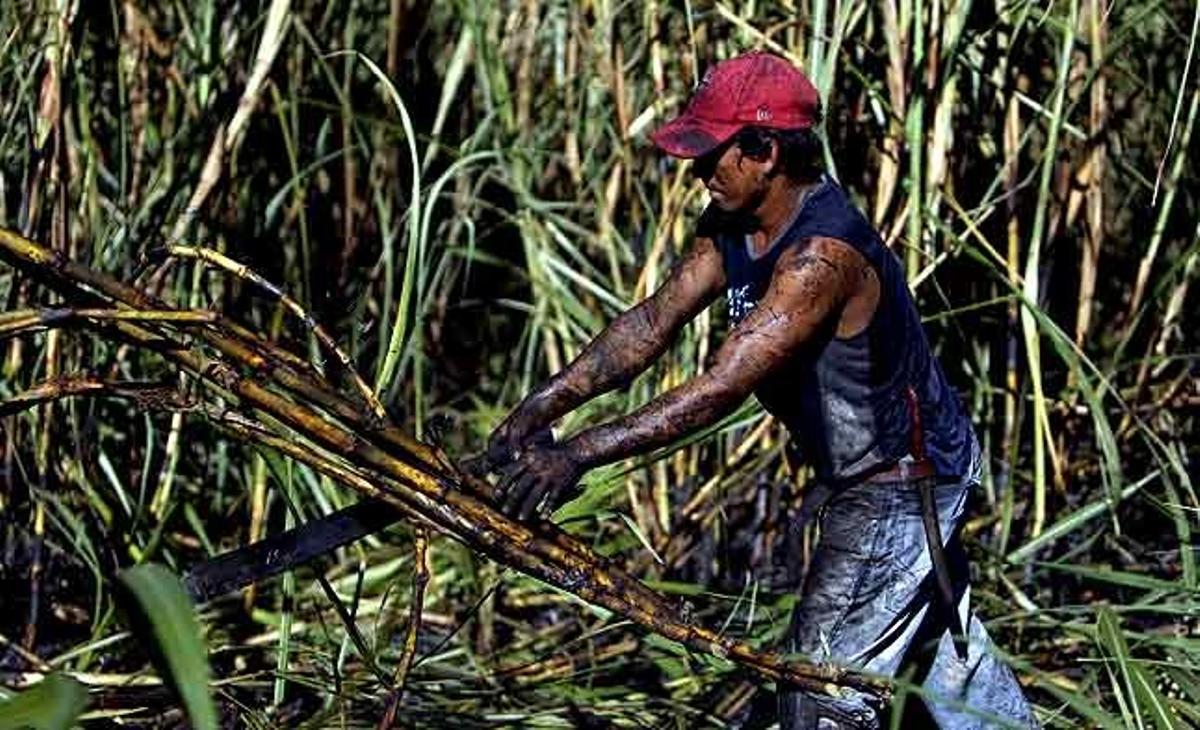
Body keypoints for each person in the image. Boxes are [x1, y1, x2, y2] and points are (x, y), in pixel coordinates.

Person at [479, 51, 1037, 729]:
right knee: (947, 659)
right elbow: (652, 323)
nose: (697, 171)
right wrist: (542, 406)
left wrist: (577, 455)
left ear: (766, 151)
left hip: (902, 482)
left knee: (819, 683)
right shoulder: (733, 229)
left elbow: (720, 387)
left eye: (712, 153)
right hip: (872, 474)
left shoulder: (822, 258)